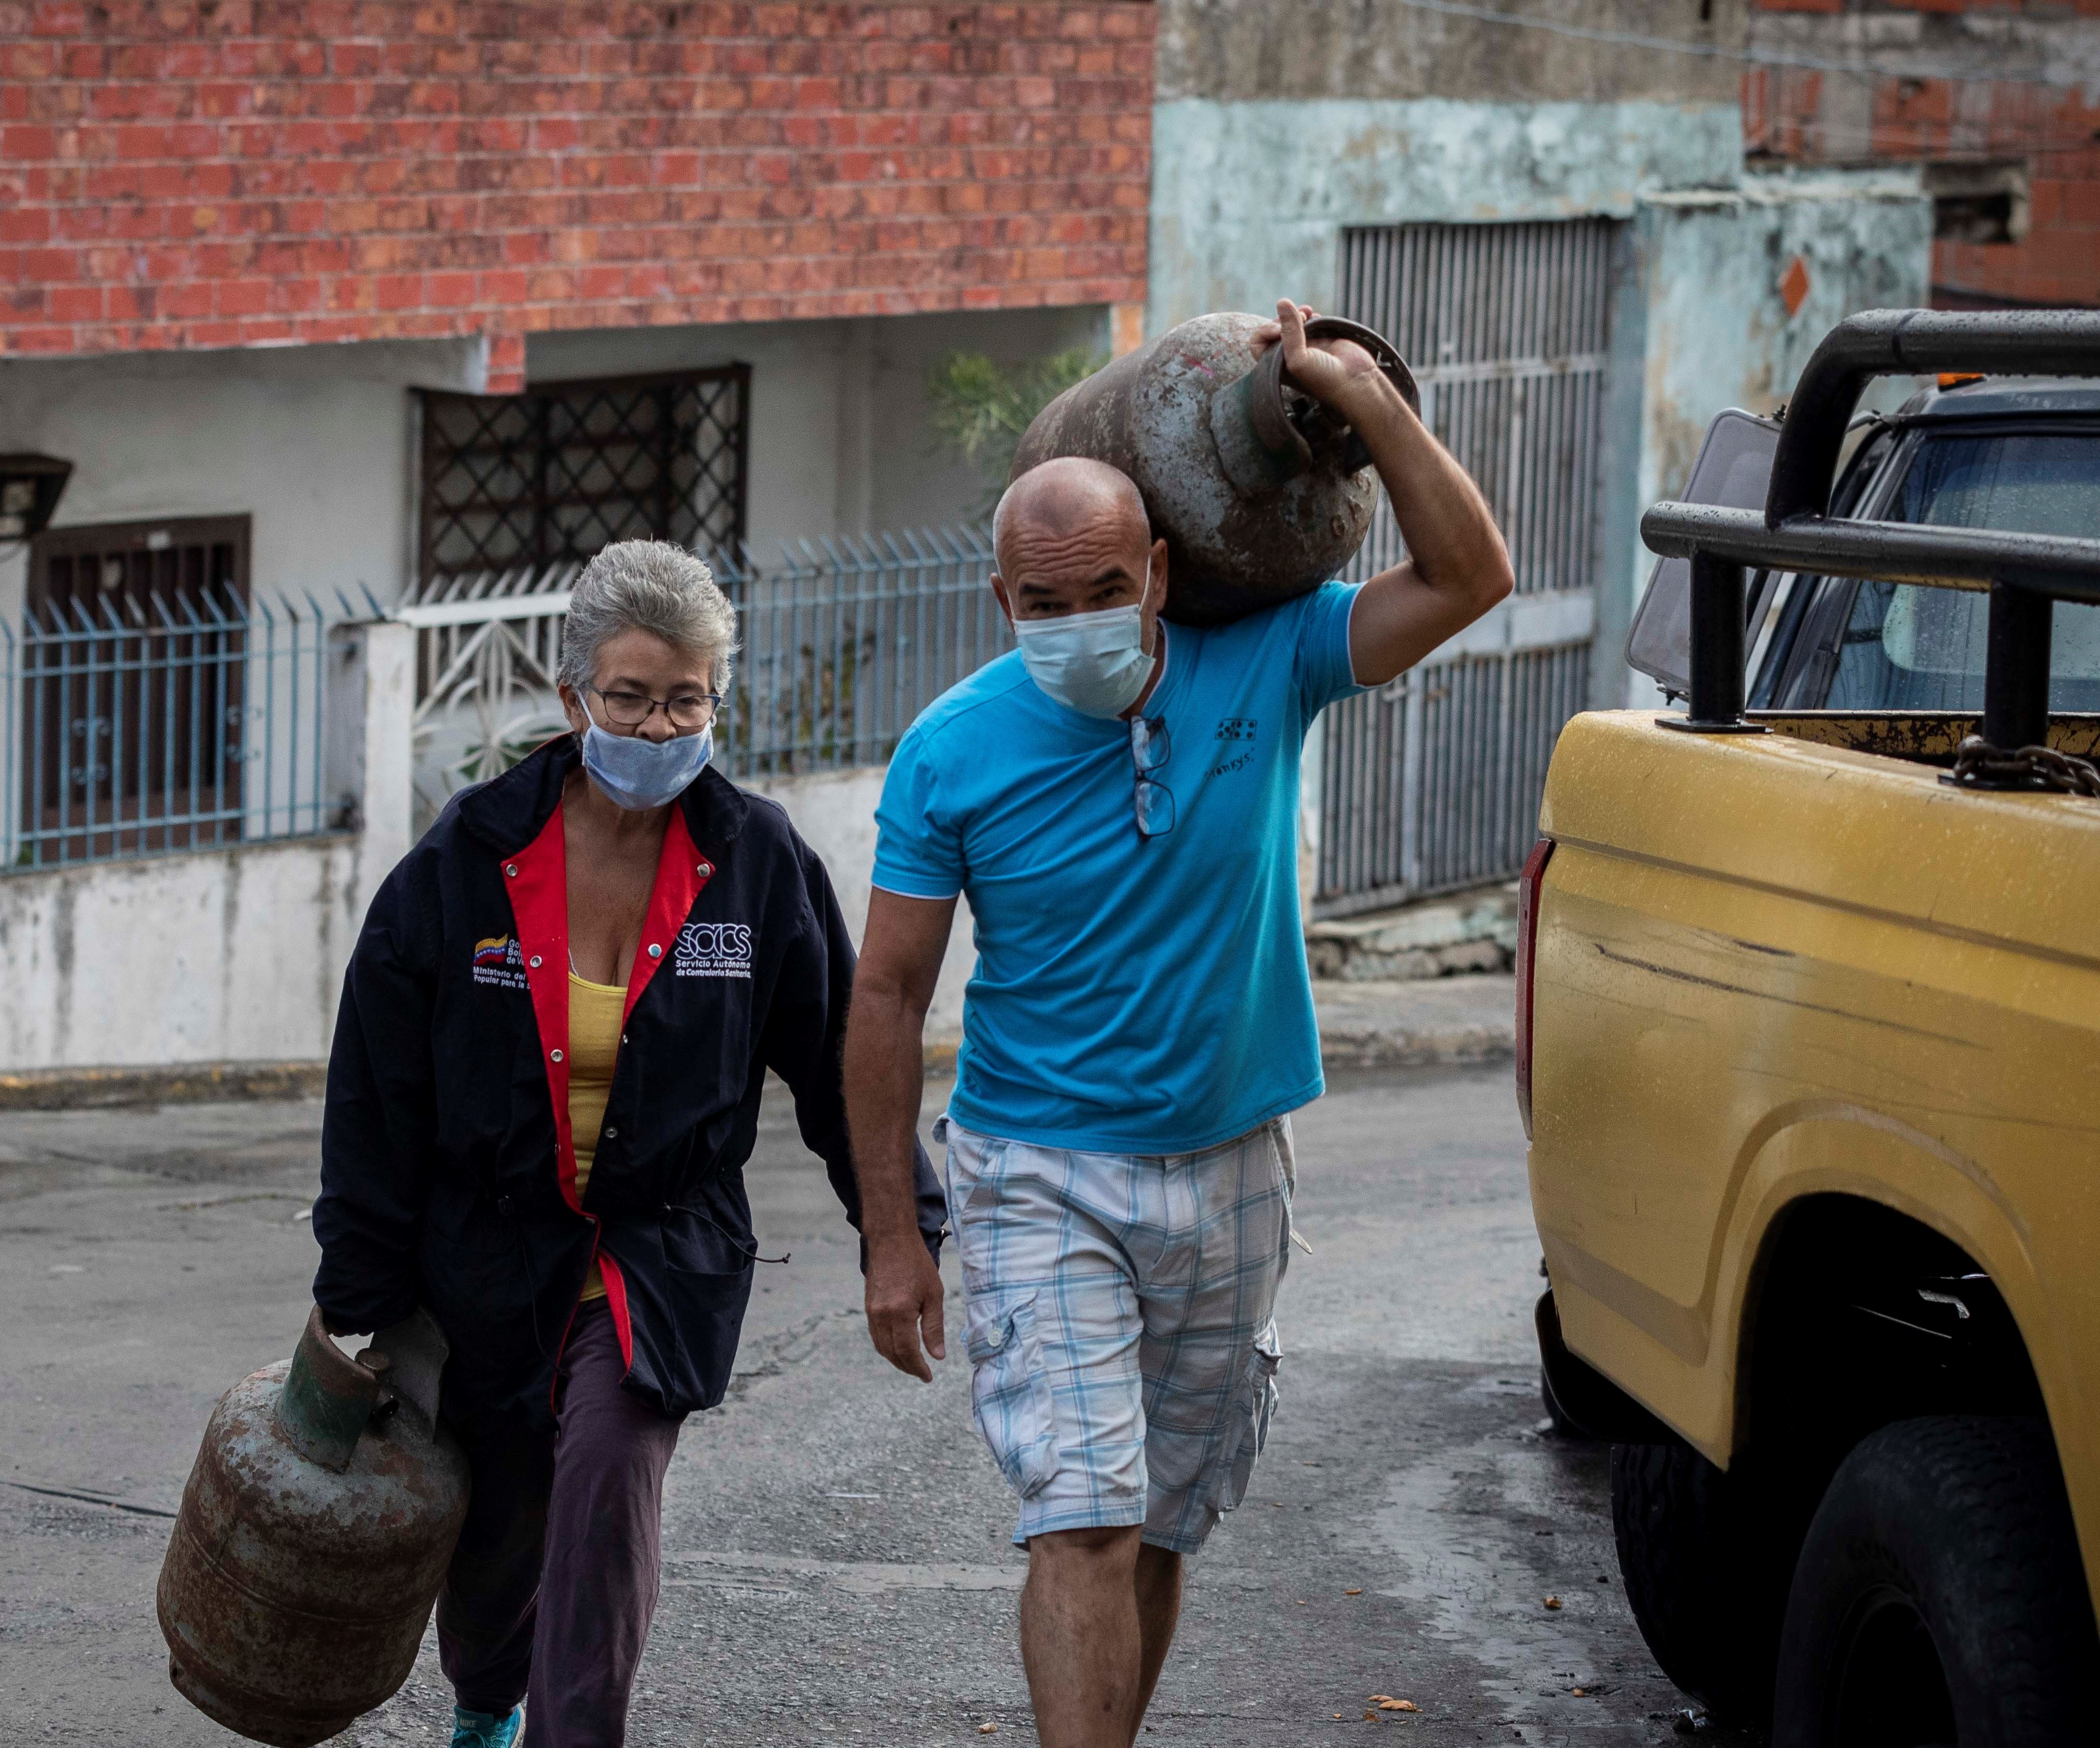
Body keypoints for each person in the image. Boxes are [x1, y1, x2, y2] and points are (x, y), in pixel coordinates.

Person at [843, 302, 1515, 1746]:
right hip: (1037, 1171)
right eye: (1042, 597)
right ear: (999, 601)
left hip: (1232, 1165)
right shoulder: (953, 747)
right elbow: (887, 991)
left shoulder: (1268, 659)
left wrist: (1364, 405)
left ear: (1159, 570)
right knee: (1077, 1520)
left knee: (1155, 1530)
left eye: (1102, 584)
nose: (1073, 618)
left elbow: (1471, 576)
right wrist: (896, 1231)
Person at [309, 540, 946, 1748]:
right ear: (571, 700)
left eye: (687, 698)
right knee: (499, 1537)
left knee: (606, 1483)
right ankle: (487, 1704)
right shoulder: (465, 860)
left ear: (719, 700)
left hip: (662, 1253)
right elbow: (374, 1091)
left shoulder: (757, 864)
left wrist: (897, 1228)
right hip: (482, 1257)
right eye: (632, 696)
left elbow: (837, 1060)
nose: (659, 726)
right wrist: (363, 1289)